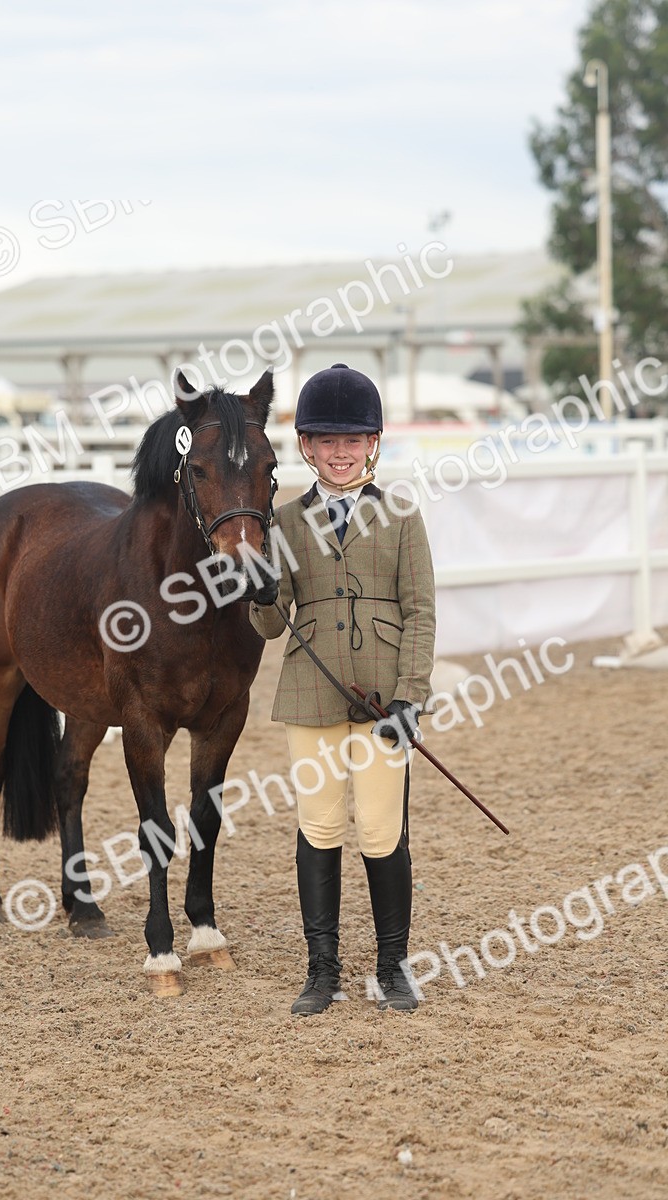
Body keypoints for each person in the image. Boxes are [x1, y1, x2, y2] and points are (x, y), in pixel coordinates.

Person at [249, 363, 436, 1015]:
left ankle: (392, 967)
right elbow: (273, 627)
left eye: (352, 440)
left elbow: (420, 612)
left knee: (382, 830)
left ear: (372, 444)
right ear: (306, 446)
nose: (339, 452)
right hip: (312, 693)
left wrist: (411, 694)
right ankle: (322, 970)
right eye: (326, 440)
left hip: (385, 697)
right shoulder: (284, 522)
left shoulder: (402, 517)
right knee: (319, 825)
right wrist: (260, 591)